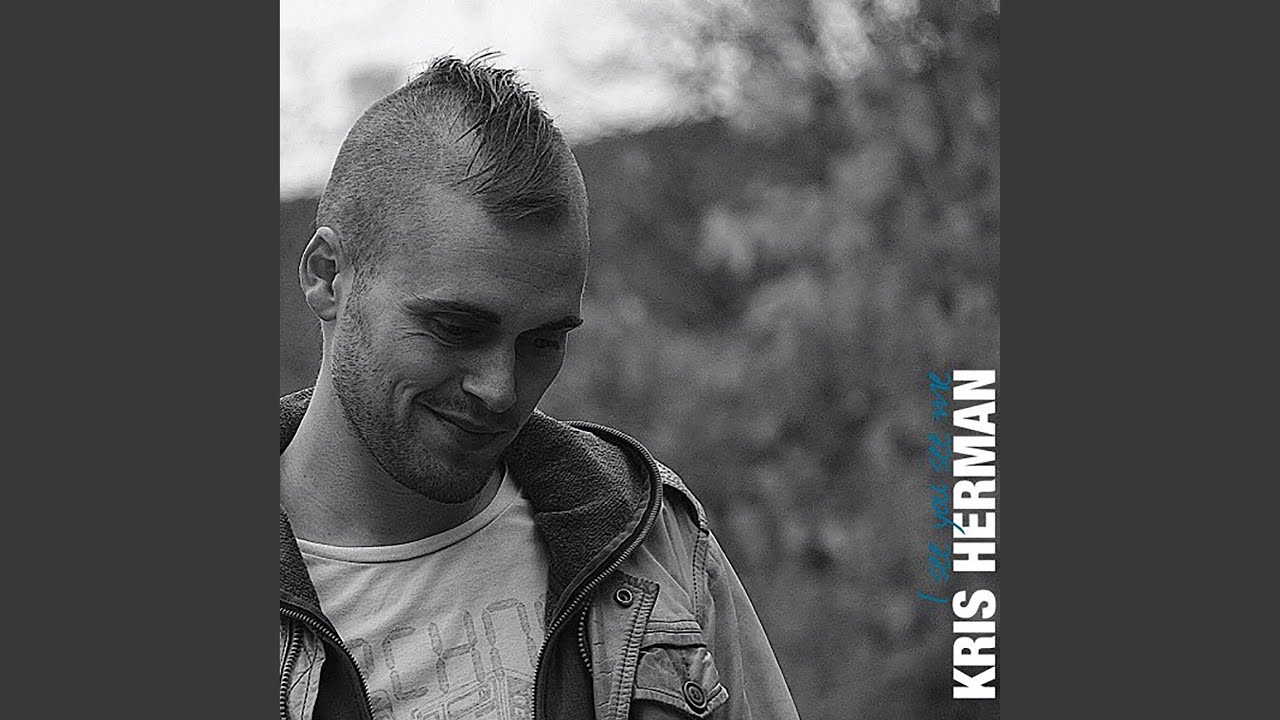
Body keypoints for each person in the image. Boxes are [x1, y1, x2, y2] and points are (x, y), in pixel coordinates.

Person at [279, 54, 801, 720]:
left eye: (543, 341)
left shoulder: (648, 541)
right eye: (456, 328)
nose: (499, 389)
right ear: (328, 276)